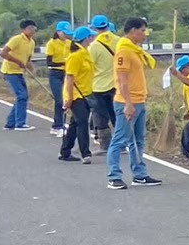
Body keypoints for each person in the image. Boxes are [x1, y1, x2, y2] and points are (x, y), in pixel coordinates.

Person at [105, 18, 163, 189]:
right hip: (127, 102)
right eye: (142, 31)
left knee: (138, 140)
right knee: (120, 140)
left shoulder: (135, 50)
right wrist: (128, 104)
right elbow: (122, 81)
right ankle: (113, 176)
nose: (144, 34)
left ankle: (139, 174)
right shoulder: (124, 51)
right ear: (132, 30)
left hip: (139, 100)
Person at [59, 26, 96, 163]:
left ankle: (65, 151)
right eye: (91, 37)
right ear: (86, 39)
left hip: (85, 93)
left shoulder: (85, 54)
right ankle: (85, 153)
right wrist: (69, 98)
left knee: (75, 123)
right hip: (76, 95)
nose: (93, 39)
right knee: (82, 123)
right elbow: (69, 79)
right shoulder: (75, 56)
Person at [0, 19, 38, 131]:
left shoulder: (32, 43)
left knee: (22, 96)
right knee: (22, 96)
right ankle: (20, 123)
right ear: (24, 29)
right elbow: (3, 53)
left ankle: (10, 123)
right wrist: (18, 62)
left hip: (19, 72)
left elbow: (28, 60)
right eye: (30, 28)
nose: (32, 30)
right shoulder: (16, 39)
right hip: (10, 71)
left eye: (34, 28)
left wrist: (32, 70)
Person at [87, 17, 118, 151]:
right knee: (116, 115)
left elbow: (89, 66)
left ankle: (105, 146)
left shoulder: (93, 46)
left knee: (100, 117)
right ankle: (121, 144)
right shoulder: (119, 41)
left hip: (98, 86)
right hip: (116, 85)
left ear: (94, 28)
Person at [45, 21, 73, 135]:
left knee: (67, 99)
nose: (66, 35)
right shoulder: (52, 43)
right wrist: (64, 63)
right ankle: (57, 125)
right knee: (59, 100)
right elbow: (49, 62)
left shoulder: (70, 43)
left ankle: (62, 124)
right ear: (58, 32)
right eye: (64, 33)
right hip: (55, 73)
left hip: (66, 74)